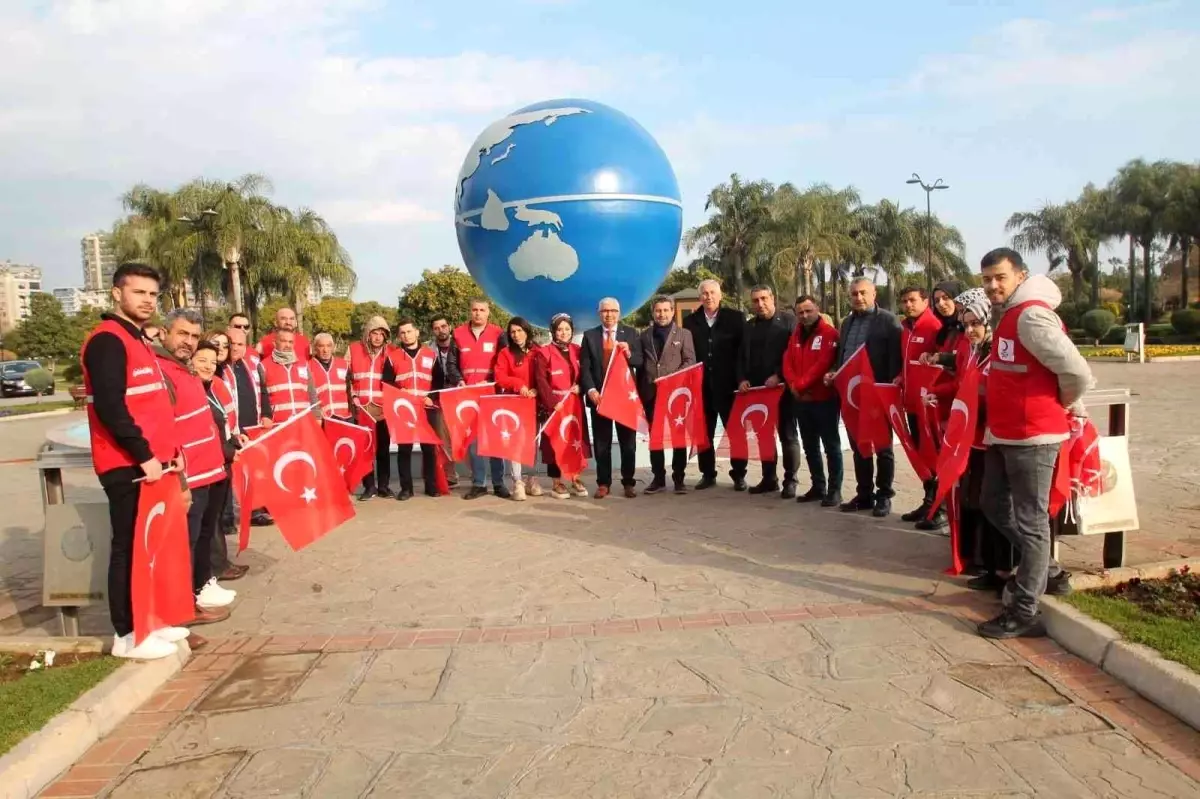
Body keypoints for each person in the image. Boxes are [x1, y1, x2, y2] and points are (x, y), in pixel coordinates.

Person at [977, 248, 1092, 639]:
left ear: (1020, 276)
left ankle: (1025, 609)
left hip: (1033, 437)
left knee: (1032, 520)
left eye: (1000, 277)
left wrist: (1055, 404)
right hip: (1005, 433)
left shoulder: (1030, 315)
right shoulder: (1009, 313)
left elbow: (1077, 371)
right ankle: (1050, 571)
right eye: (987, 279)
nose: (993, 285)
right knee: (993, 504)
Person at [81, 263, 187, 659]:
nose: (146, 300)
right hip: (127, 464)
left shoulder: (137, 339)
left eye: (152, 294)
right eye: (138, 292)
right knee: (128, 546)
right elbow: (111, 407)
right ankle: (127, 634)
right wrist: (143, 455)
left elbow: (152, 405)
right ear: (116, 294)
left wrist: (168, 455)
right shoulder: (108, 341)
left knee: (150, 546)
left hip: (155, 463)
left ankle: (151, 619)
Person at [154, 311, 237, 625]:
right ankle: (181, 603)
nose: (187, 341)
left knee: (203, 534)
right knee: (186, 541)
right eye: (182, 334)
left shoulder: (185, 372)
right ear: (164, 333)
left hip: (209, 469)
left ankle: (200, 587)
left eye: (193, 336)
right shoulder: (161, 371)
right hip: (188, 474)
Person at [939, 287, 1016, 591]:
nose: (969, 330)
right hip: (974, 440)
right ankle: (989, 565)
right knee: (979, 501)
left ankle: (1004, 570)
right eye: (965, 324)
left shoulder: (998, 352)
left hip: (995, 441)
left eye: (975, 324)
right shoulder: (972, 352)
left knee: (996, 505)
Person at [825, 278, 902, 517]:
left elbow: (895, 358)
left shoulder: (888, 321)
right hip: (852, 396)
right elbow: (844, 355)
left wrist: (890, 388)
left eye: (862, 293)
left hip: (877, 393)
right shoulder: (846, 322)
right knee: (859, 446)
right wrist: (835, 373)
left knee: (882, 447)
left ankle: (884, 495)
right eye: (854, 294)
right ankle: (864, 494)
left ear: (873, 293)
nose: (858, 298)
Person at [191, 343, 250, 586]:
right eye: (202, 360)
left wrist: (234, 439)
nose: (208, 366)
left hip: (220, 459)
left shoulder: (212, 387)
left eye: (212, 362)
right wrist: (227, 449)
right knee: (205, 525)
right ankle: (206, 578)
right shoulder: (192, 390)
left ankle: (213, 572)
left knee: (211, 519)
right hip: (203, 465)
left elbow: (222, 421)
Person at [683, 279, 746, 490]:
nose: (708, 297)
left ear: (720, 295)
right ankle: (707, 473)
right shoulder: (691, 321)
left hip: (729, 387)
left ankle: (739, 474)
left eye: (712, 293)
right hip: (701, 388)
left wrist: (741, 379)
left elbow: (743, 352)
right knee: (704, 434)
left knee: (735, 432)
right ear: (699, 296)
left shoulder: (735, 318)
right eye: (705, 293)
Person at [736, 286, 799, 498]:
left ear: (772, 298)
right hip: (757, 392)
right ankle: (769, 479)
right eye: (755, 300)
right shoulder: (749, 326)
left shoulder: (789, 321)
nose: (760, 304)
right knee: (763, 437)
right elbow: (740, 356)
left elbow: (795, 354)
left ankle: (791, 480)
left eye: (763, 298)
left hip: (782, 390)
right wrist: (742, 379)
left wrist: (779, 375)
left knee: (787, 436)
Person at [579, 297, 644, 499]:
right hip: (600, 399)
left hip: (624, 399)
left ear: (619, 313)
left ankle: (628, 482)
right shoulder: (590, 336)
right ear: (599, 313)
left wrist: (629, 353)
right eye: (605, 311)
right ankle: (603, 483)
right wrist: (591, 390)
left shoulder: (631, 333)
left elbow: (640, 361)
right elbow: (585, 367)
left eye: (613, 311)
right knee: (602, 444)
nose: (609, 314)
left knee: (628, 444)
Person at [783, 295, 842, 507]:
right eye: (800, 312)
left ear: (817, 308)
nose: (805, 315)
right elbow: (787, 361)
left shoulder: (829, 334)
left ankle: (835, 490)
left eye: (808, 310)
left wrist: (799, 386)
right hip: (801, 401)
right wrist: (792, 384)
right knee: (810, 447)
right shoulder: (796, 334)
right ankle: (818, 486)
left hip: (823, 400)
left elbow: (823, 363)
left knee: (831, 446)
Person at [638, 295, 696, 494]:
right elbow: (640, 364)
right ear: (653, 312)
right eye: (658, 311)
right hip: (651, 394)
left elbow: (690, 361)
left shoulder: (684, 334)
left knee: (678, 438)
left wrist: (671, 380)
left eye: (665, 310)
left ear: (672, 311)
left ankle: (679, 478)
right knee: (656, 439)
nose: (661, 314)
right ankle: (658, 478)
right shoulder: (644, 336)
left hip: (675, 396)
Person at [897, 286, 944, 525]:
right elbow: (908, 363)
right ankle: (928, 501)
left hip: (930, 406)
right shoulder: (905, 327)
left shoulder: (933, 326)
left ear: (925, 301)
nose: (908, 304)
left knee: (934, 455)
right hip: (912, 403)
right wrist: (901, 378)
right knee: (921, 456)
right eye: (904, 301)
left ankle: (940, 507)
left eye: (912, 300)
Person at [454, 299, 508, 499]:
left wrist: (495, 382)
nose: (478, 313)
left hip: (491, 395)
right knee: (473, 442)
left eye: (482, 310)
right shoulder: (458, 334)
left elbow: (504, 362)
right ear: (470, 311)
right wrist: (458, 380)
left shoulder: (498, 334)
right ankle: (478, 483)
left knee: (495, 440)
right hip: (467, 397)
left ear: (488, 312)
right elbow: (452, 362)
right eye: (474, 310)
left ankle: (499, 483)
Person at [533, 313, 590, 499]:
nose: (564, 333)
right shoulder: (543, 352)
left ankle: (575, 477)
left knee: (574, 439)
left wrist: (581, 386)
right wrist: (551, 402)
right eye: (559, 329)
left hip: (574, 404)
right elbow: (541, 380)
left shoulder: (578, 350)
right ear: (553, 331)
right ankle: (557, 482)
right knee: (555, 442)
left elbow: (585, 373)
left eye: (567, 329)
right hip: (555, 406)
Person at [222, 326, 272, 528]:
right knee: (230, 475)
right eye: (231, 343)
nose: (235, 348)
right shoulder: (220, 368)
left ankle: (255, 511)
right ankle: (227, 519)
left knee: (253, 472)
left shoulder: (251, 365)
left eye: (240, 344)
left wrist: (267, 414)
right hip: (230, 430)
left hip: (252, 428)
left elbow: (263, 391)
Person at [384, 318, 440, 500]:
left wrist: (431, 398)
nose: (406, 335)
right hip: (404, 408)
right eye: (402, 333)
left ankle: (431, 486)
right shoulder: (392, 358)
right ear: (399, 336)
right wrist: (401, 391)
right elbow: (386, 383)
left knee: (429, 449)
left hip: (426, 407)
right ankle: (406, 488)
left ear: (417, 332)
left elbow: (439, 381)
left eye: (409, 331)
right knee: (404, 449)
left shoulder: (430, 355)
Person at [494, 316, 541, 500]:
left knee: (533, 443)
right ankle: (517, 482)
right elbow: (500, 376)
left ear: (526, 331)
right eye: (512, 332)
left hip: (535, 403)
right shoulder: (505, 353)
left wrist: (538, 388)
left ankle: (532, 479)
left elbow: (544, 373)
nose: (516, 335)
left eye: (519, 330)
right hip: (514, 404)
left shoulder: (537, 351)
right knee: (516, 442)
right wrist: (518, 384)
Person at [348, 316, 393, 500]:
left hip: (382, 410)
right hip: (362, 409)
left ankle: (384, 486)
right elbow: (345, 377)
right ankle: (369, 487)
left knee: (383, 449)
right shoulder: (353, 350)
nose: (377, 338)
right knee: (366, 451)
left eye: (381, 334)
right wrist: (353, 397)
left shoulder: (391, 352)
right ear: (368, 334)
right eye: (374, 333)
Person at [428, 315, 462, 487]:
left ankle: (479, 477)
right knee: (443, 437)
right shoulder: (428, 350)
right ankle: (450, 474)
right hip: (440, 398)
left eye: (443, 326)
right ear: (432, 331)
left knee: (464, 436)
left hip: (461, 396)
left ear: (450, 326)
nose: (441, 330)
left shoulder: (461, 345)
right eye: (436, 328)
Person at [259, 329, 319, 423]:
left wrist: (317, 416)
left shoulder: (303, 363)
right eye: (283, 341)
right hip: (278, 423)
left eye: (290, 342)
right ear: (275, 343)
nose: (287, 345)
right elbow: (262, 397)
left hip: (304, 421)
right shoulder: (263, 366)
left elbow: (312, 392)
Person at [310, 332, 352, 422]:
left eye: (328, 346)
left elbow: (350, 392)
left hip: (344, 417)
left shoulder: (343, 364)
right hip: (322, 419)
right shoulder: (308, 367)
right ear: (315, 348)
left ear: (333, 347)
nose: (325, 350)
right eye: (321, 346)